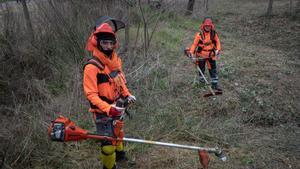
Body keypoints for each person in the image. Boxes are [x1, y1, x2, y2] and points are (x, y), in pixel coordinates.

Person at [83, 22, 136, 169]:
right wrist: (108, 108)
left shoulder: (115, 61)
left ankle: (121, 158)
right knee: (107, 147)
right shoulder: (92, 67)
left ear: (114, 44)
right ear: (97, 43)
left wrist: (127, 94)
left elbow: (120, 80)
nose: (107, 46)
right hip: (102, 112)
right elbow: (91, 94)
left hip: (118, 106)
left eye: (110, 43)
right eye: (104, 43)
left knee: (119, 134)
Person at [188, 17, 222, 91]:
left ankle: (214, 84)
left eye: (209, 26)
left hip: (211, 55)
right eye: (206, 25)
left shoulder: (214, 34)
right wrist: (191, 52)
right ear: (203, 26)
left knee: (213, 70)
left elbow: (218, 43)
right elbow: (194, 44)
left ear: (211, 26)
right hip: (201, 56)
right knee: (201, 69)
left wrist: (218, 50)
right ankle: (202, 83)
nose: (207, 27)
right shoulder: (199, 35)